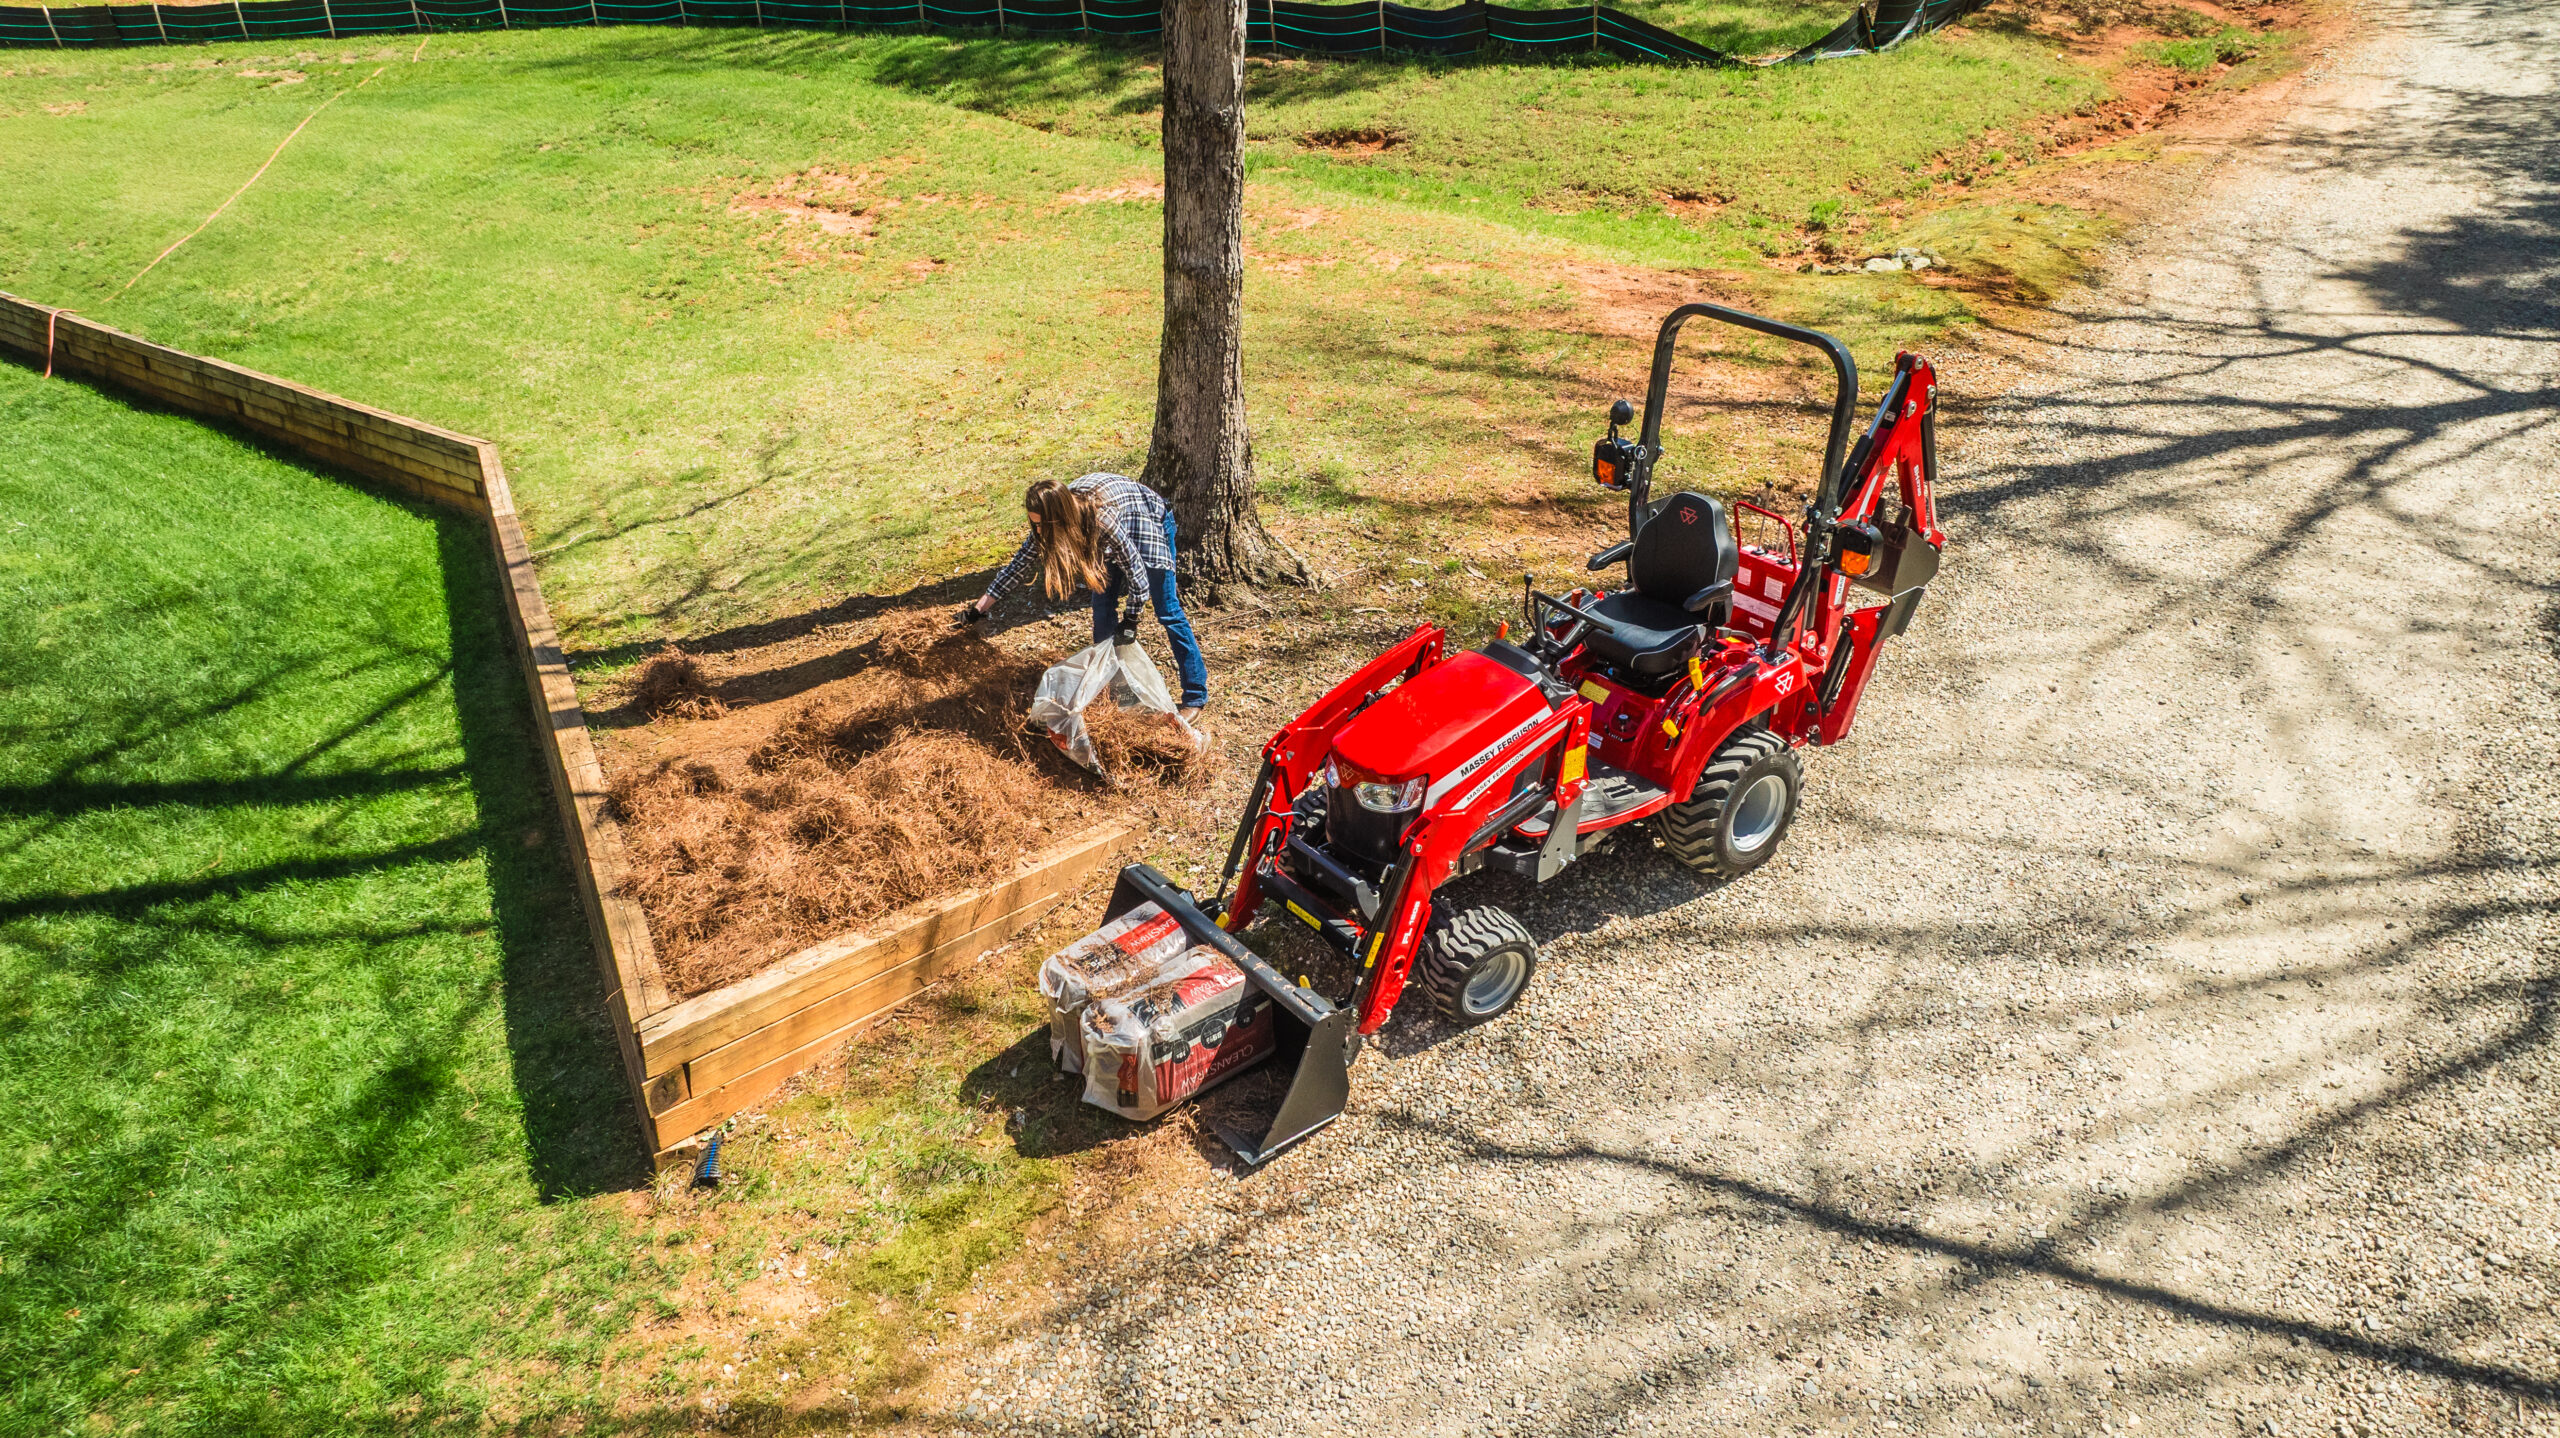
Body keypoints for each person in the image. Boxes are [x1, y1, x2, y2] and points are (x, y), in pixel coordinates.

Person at [961, 474, 1209, 726]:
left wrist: (1131, 619)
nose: (1038, 530)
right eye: (1033, 524)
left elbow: (1136, 571)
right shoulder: (1048, 523)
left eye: (1041, 525)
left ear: (1060, 517)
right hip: (1105, 541)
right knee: (1102, 613)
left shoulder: (1103, 520)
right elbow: (1017, 567)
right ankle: (1119, 693)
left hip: (1146, 522)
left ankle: (1195, 696)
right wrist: (978, 609)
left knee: (1167, 610)